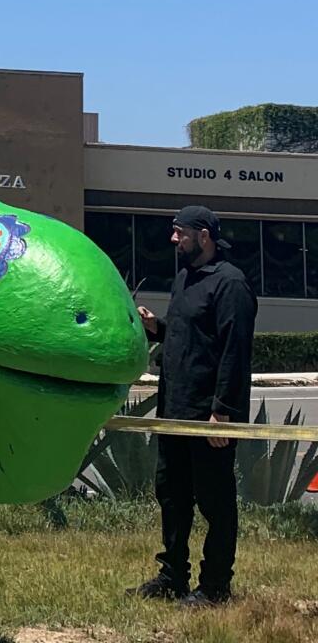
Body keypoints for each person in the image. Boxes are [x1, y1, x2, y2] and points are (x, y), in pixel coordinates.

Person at [130, 204, 257, 608]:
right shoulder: (184, 279)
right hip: (174, 412)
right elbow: (190, 338)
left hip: (208, 417)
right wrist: (158, 328)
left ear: (203, 235)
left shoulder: (231, 285)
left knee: (215, 503)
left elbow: (234, 354)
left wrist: (223, 414)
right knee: (172, 494)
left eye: (179, 232)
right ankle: (173, 576)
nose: (173, 239)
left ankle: (216, 585)